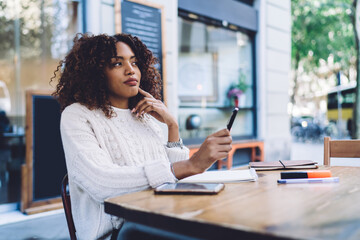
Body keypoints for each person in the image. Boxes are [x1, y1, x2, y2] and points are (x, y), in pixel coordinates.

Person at [51, 33, 232, 240]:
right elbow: (103, 183)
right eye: (117, 64)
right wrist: (190, 164)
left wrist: (172, 126)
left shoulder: (147, 118)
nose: (131, 70)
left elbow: (175, 182)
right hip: (117, 233)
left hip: (159, 218)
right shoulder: (78, 115)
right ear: (95, 73)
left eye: (134, 62)